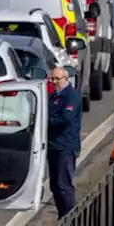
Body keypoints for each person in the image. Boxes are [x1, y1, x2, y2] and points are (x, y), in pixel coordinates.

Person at [46, 67, 83, 216]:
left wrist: (46, 121)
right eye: (52, 79)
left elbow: (66, 118)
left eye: (57, 79)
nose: (54, 82)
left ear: (66, 79)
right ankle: (62, 215)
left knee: (63, 184)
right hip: (53, 146)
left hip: (65, 146)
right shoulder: (52, 97)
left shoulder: (71, 96)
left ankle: (69, 218)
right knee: (54, 185)